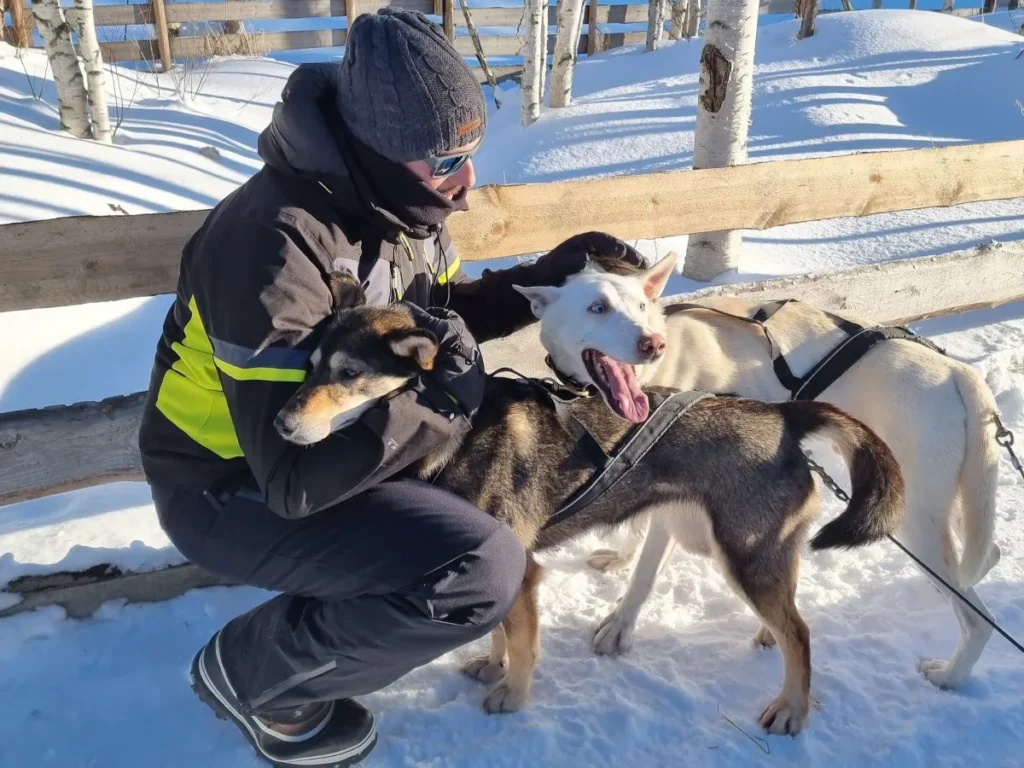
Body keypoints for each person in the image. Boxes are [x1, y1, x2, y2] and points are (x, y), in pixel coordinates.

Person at [138, 8, 644, 768]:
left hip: (337, 452)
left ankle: (301, 637)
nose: (467, 185)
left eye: (472, 154)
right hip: (229, 483)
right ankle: (256, 676)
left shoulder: (397, 207)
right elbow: (293, 482)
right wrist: (441, 404)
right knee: (478, 568)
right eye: (447, 162)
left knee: (484, 518)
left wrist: (535, 283)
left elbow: (427, 325)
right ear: (376, 149)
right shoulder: (271, 248)